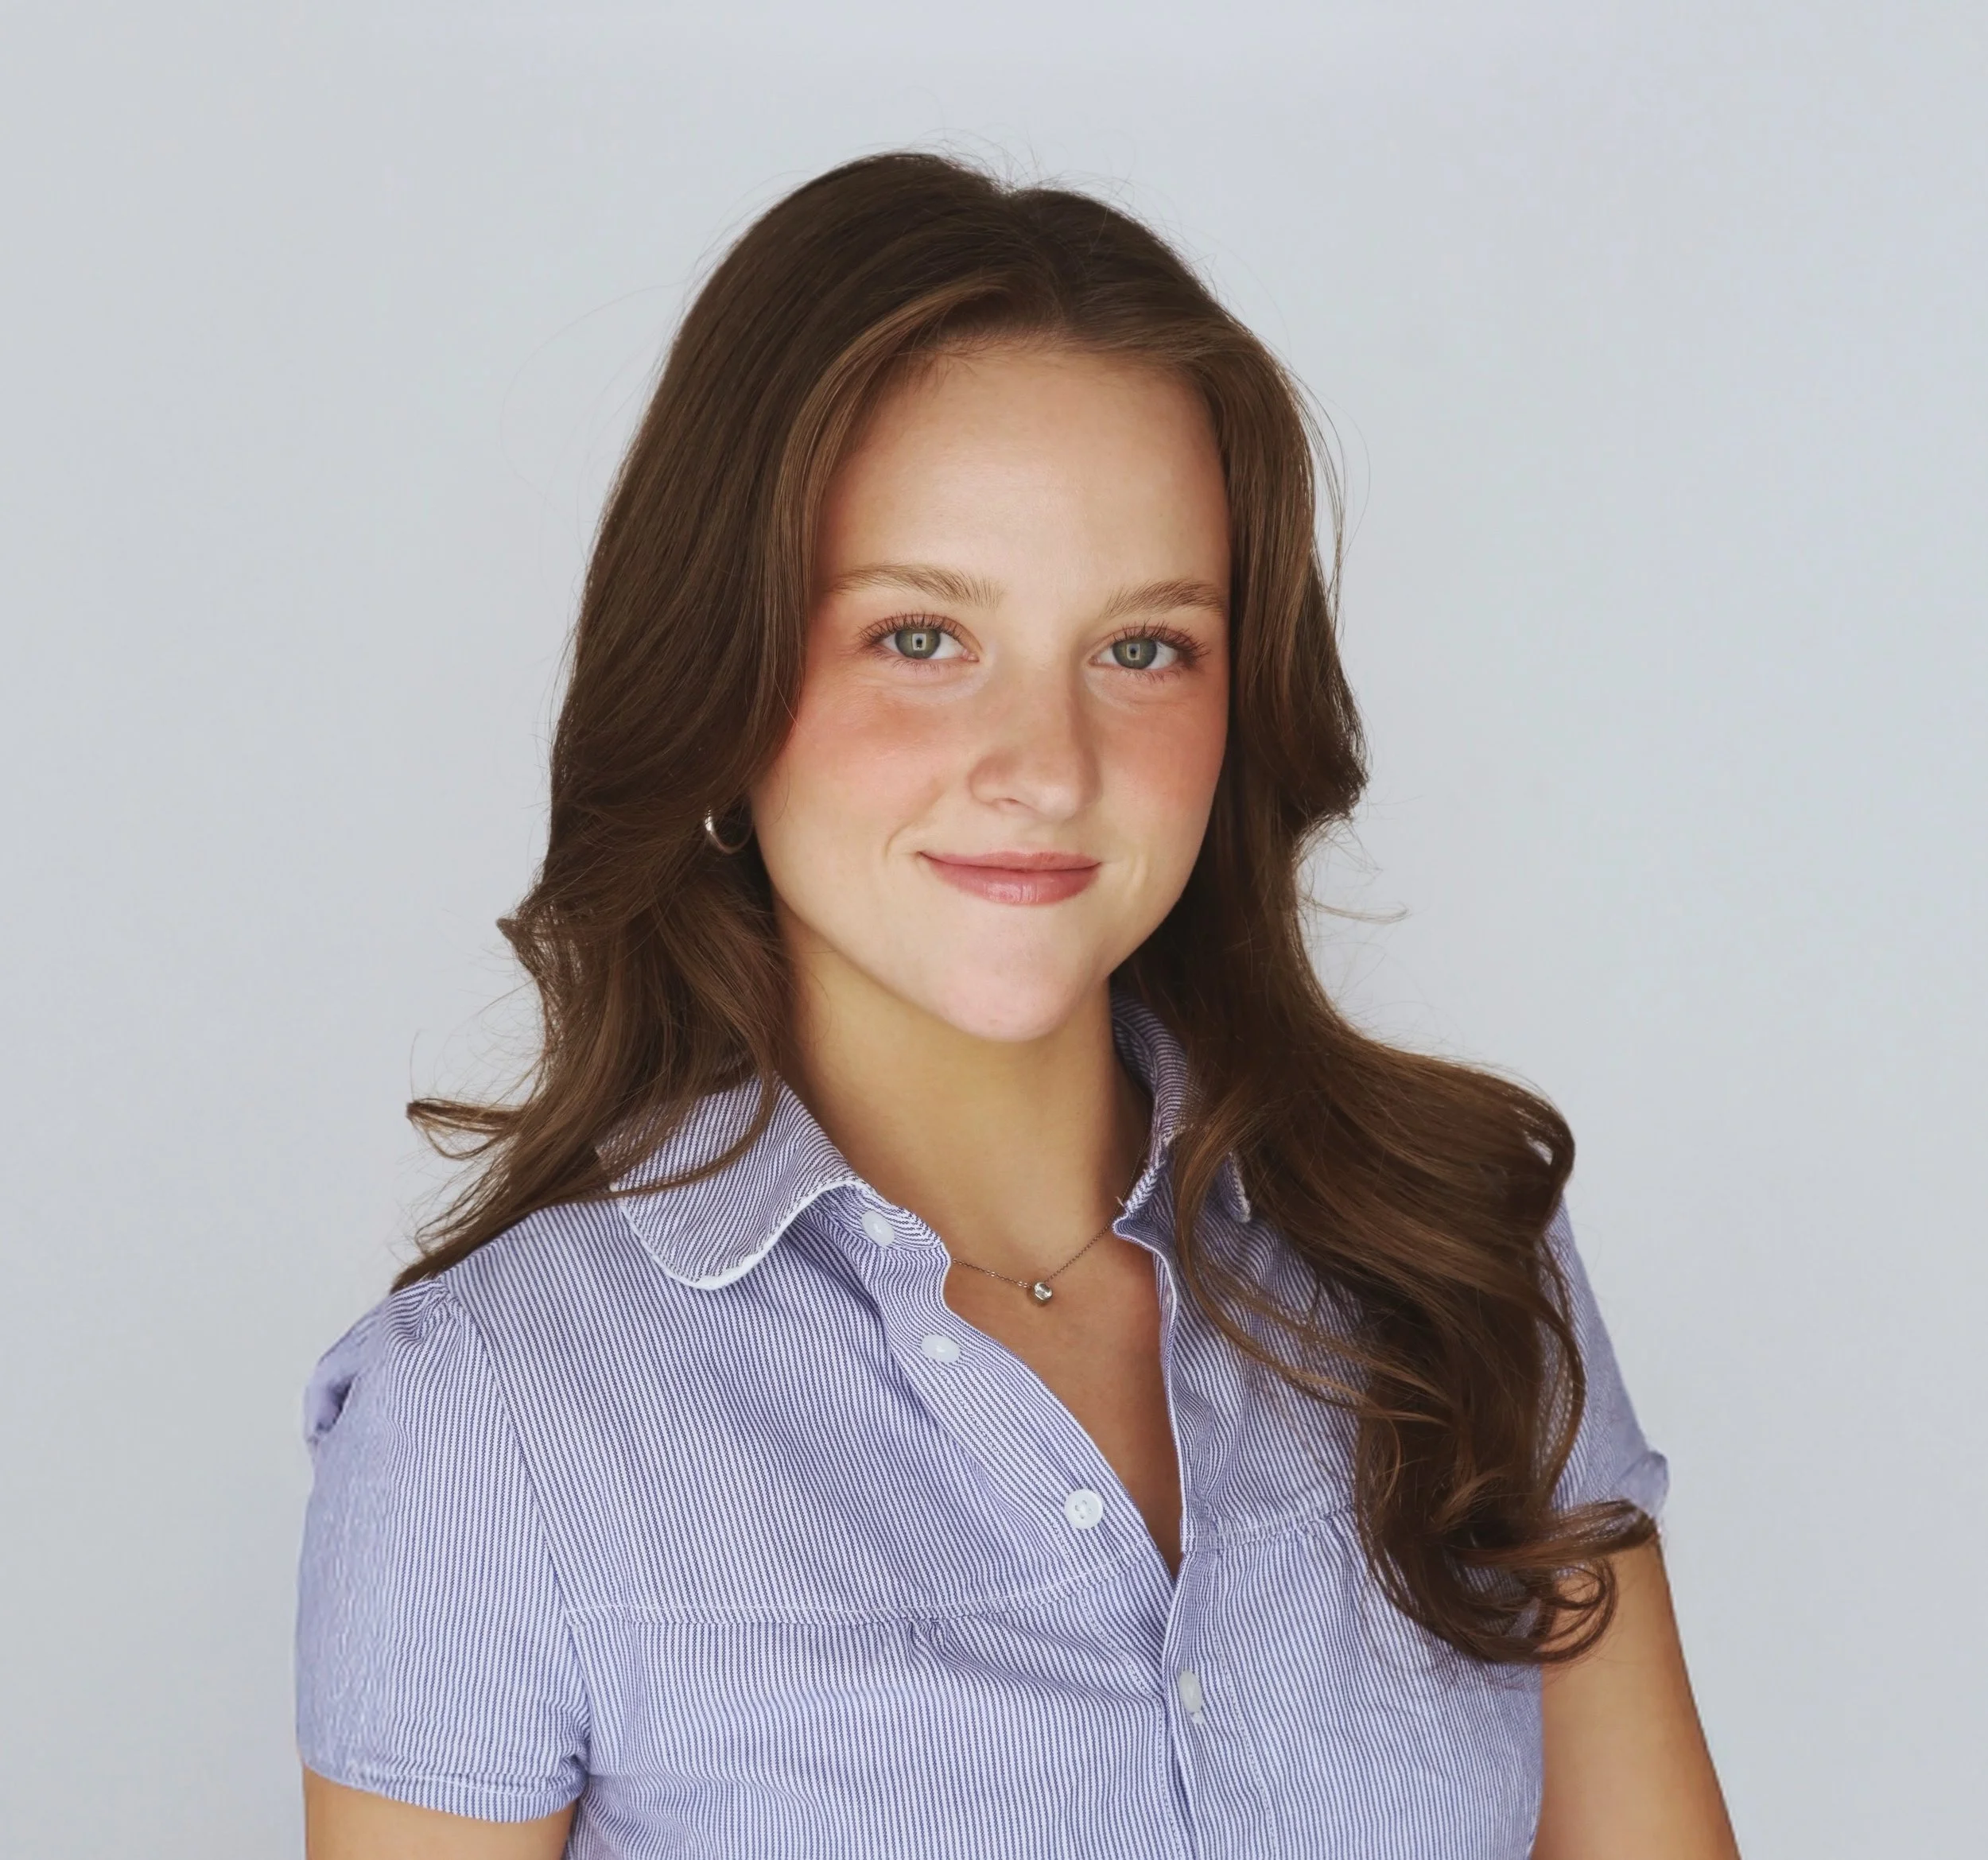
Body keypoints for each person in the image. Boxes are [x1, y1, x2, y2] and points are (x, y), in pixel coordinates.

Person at [295, 151, 1740, 1859]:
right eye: (919, 636)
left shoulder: (1454, 1261)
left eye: (1142, 647)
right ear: (721, 671)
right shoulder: (489, 1418)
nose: (1046, 770)